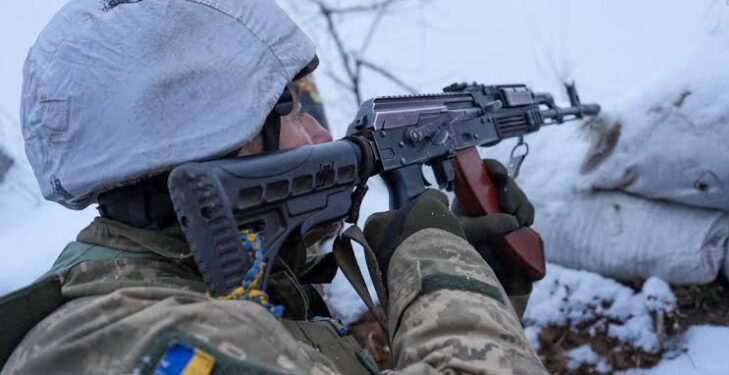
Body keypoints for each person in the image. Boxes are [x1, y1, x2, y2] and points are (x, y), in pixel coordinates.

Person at [0, 0, 549, 374]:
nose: (322, 134)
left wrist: (478, 284)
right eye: (287, 107)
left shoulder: (216, 282)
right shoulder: (137, 341)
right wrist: (437, 265)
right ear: (201, 137)